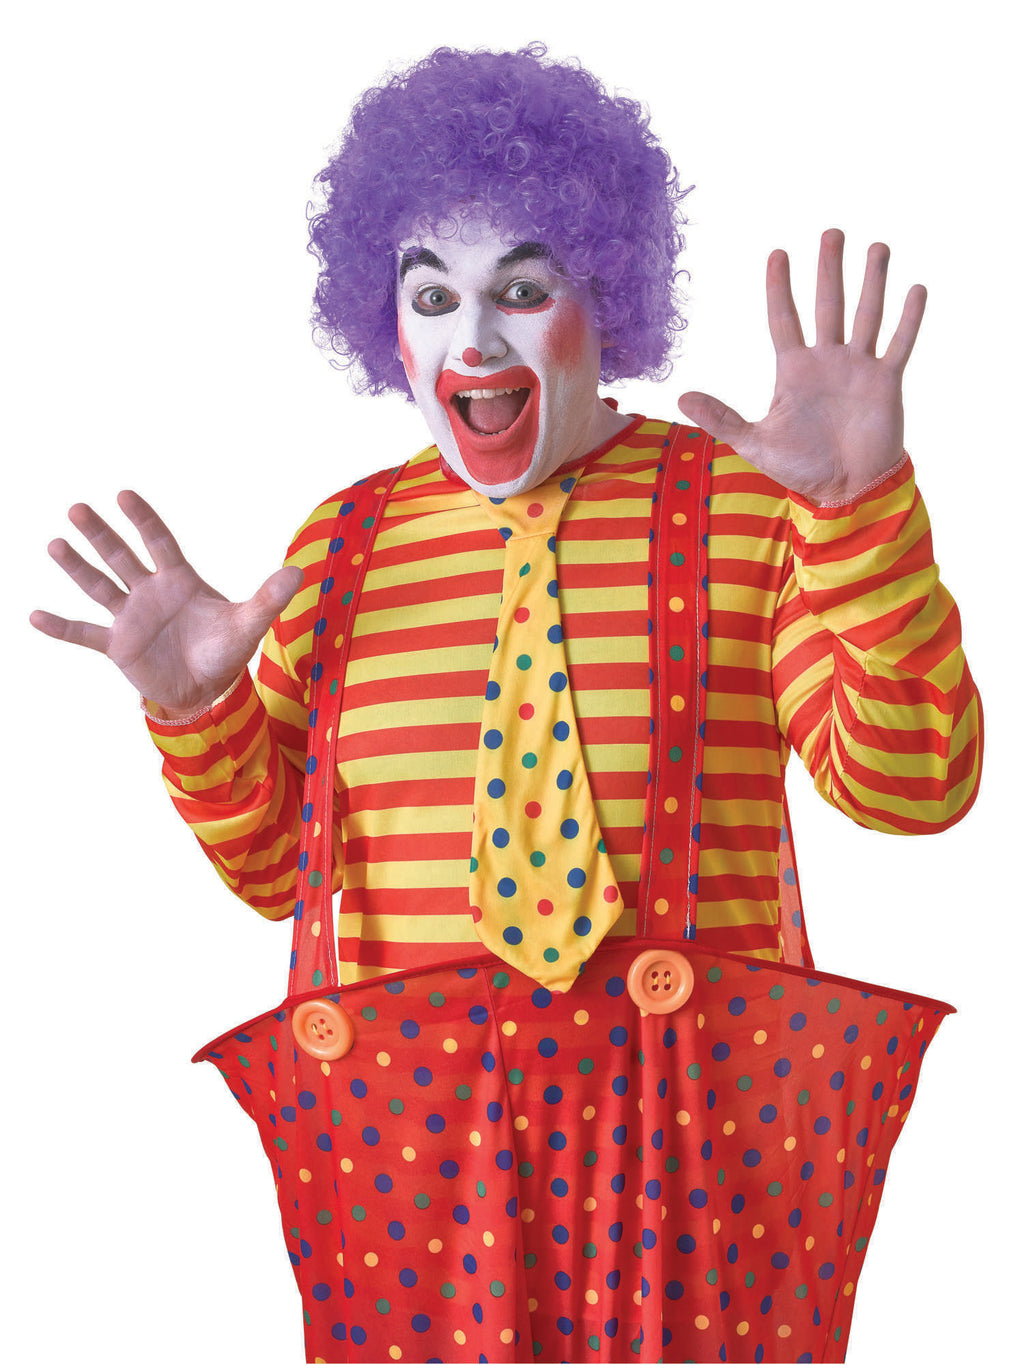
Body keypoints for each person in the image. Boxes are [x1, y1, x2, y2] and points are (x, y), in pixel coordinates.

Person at [30, 43, 980, 1365]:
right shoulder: (340, 546)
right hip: (416, 1165)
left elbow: (915, 784)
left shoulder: (750, 508)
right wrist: (199, 715)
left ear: (608, 296)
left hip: (686, 1158)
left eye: (523, 290)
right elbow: (279, 874)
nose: (471, 339)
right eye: (432, 296)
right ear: (389, 326)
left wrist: (859, 517)